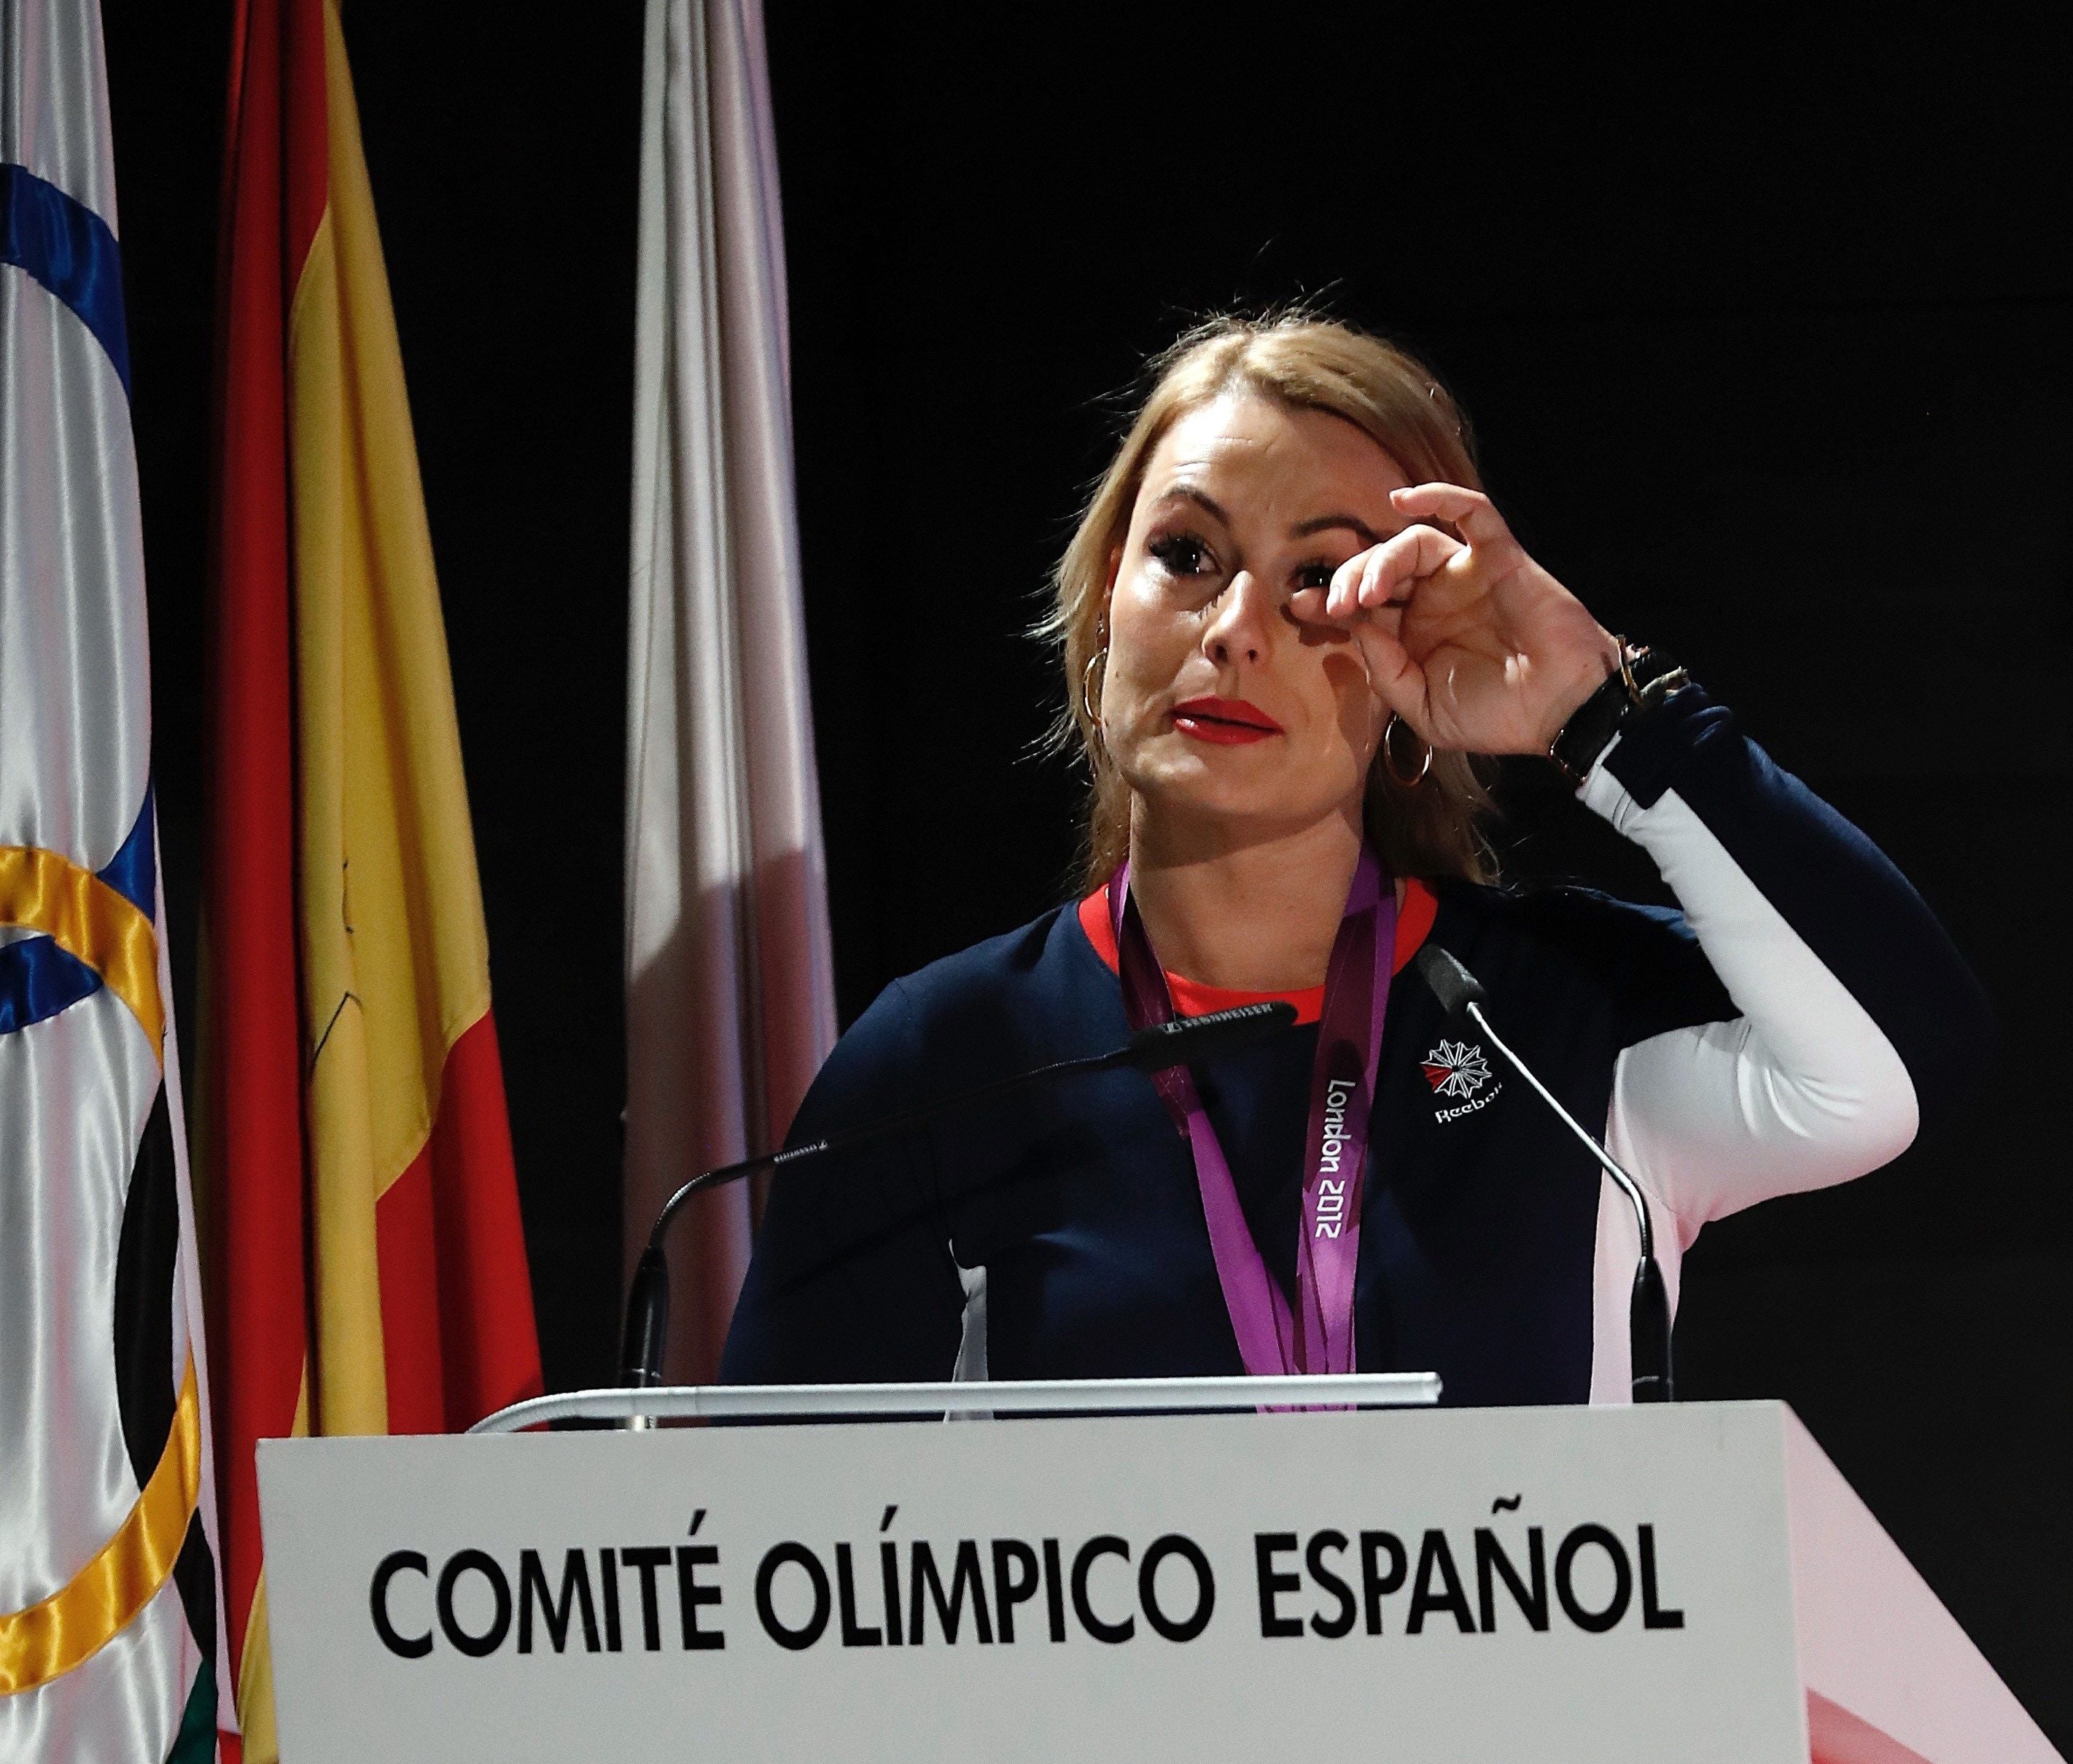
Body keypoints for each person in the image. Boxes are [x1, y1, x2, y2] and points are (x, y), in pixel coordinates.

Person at [722, 312, 1990, 1404]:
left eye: (1319, 580)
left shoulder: (1559, 1022)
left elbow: (1902, 1069)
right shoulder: (940, 1067)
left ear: (1411, 650)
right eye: (1187, 556)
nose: (1232, 631)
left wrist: (1606, 716)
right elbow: (765, 1565)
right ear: (1106, 605)